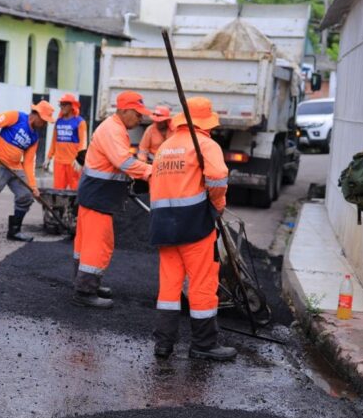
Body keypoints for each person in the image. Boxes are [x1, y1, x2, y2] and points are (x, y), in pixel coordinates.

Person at [149, 97, 236, 361]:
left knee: (169, 287)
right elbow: (218, 177)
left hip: (164, 226)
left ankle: (164, 345)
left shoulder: (165, 147)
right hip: (195, 226)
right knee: (202, 283)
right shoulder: (205, 145)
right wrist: (218, 205)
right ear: (205, 123)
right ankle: (204, 344)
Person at [72, 91, 154, 308]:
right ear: (124, 110)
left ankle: (86, 282)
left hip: (97, 194)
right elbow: (124, 162)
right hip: (98, 196)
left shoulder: (115, 128)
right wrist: (151, 172)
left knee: (87, 243)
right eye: (137, 115)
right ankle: (84, 291)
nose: (140, 119)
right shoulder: (112, 129)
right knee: (98, 245)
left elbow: (116, 165)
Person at [0, 100, 55, 243]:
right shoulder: (16, 117)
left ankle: (14, 231)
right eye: (44, 121)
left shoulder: (34, 137)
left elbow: (29, 162)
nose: (44, 125)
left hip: (15, 167)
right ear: (36, 115)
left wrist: (33, 186)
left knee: (26, 195)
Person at [43, 93, 87, 190]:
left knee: (75, 190)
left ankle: (73, 206)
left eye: (65, 104)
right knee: (58, 190)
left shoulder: (80, 122)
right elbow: (54, 141)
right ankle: (59, 206)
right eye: (61, 104)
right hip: (59, 162)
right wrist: (48, 157)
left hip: (73, 163)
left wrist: (80, 160)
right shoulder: (58, 121)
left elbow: (83, 142)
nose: (62, 107)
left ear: (72, 106)